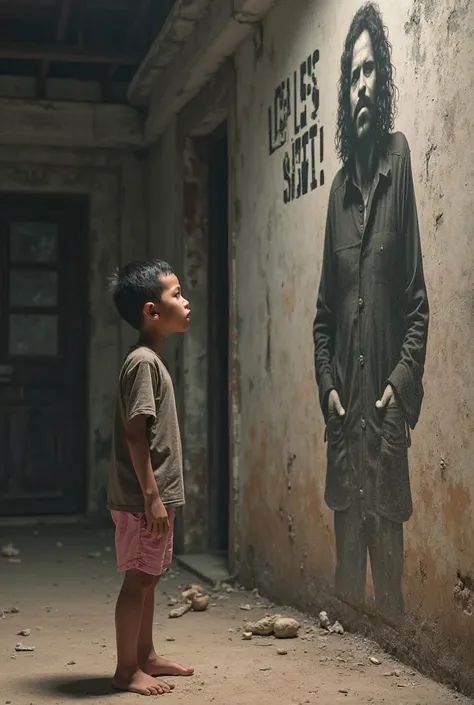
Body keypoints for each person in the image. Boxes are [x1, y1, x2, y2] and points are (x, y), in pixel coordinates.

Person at [313, 2, 429, 621]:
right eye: (353, 76)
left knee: (390, 603)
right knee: (344, 594)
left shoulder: (399, 161)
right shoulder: (334, 192)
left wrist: (396, 389)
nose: (362, 87)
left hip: (382, 423)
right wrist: (328, 388)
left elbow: (416, 303)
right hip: (343, 422)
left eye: (370, 74)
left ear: (382, 80)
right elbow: (323, 317)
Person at [107, 259, 194, 695]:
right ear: (151, 312)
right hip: (144, 500)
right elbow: (135, 433)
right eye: (176, 294)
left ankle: (146, 656)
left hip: (154, 497)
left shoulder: (151, 360)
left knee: (151, 575)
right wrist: (152, 497)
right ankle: (127, 670)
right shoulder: (143, 363)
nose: (186, 300)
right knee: (138, 578)